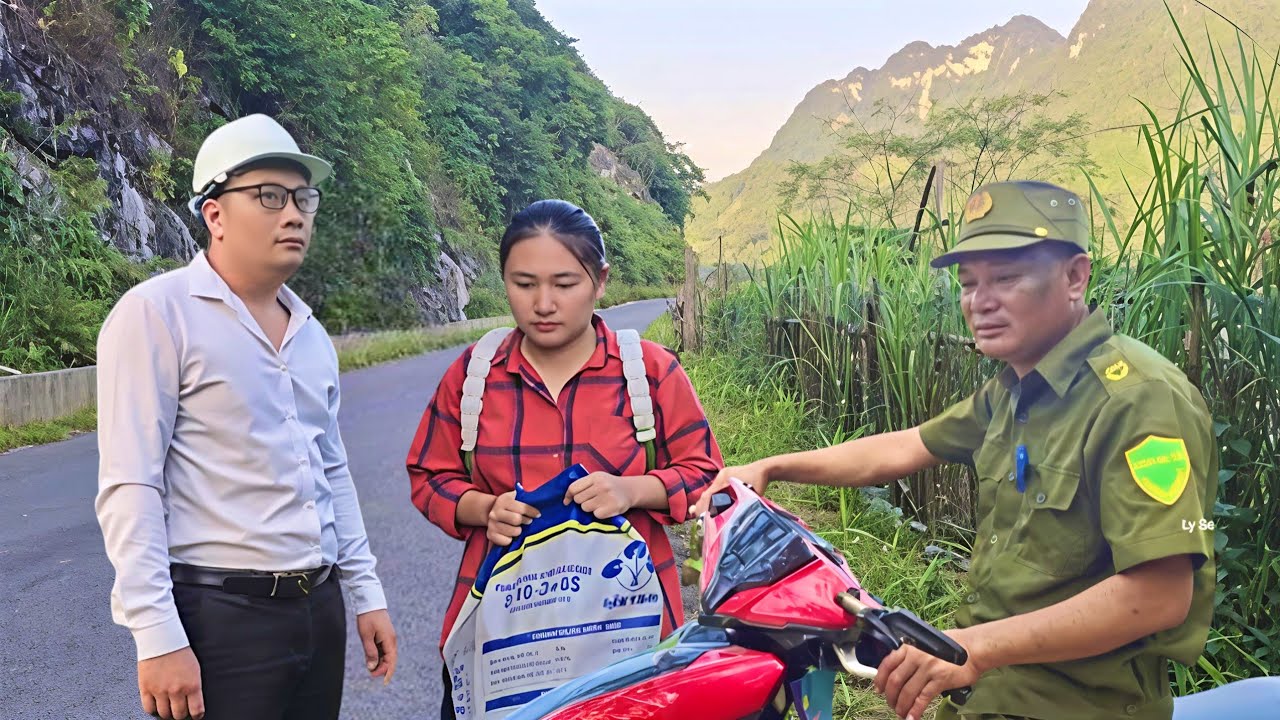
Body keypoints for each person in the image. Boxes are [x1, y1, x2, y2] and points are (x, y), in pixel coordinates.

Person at [697, 180, 1217, 720]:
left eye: (1007, 278)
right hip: (985, 689)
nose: (979, 301)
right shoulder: (1014, 391)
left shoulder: (1136, 399)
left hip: (1080, 705)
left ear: (1075, 276)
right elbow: (903, 448)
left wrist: (976, 649)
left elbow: (1158, 595)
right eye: (968, 283)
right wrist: (774, 466)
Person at [96, 114, 397, 720]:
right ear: (214, 213)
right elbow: (131, 483)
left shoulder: (312, 336)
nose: (293, 214)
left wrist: (366, 595)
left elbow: (331, 475)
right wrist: (157, 636)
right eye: (269, 196)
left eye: (302, 197)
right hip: (221, 619)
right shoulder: (157, 315)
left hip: (319, 607)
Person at [406, 199, 723, 719]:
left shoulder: (648, 372)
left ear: (600, 281)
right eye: (524, 284)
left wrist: (631, 489)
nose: (543, 303)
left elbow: (706, 476)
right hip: (506, 637)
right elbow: (429, 475)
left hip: (628, 632)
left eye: (565, 283)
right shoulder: (475, 375)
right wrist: (484, 508)